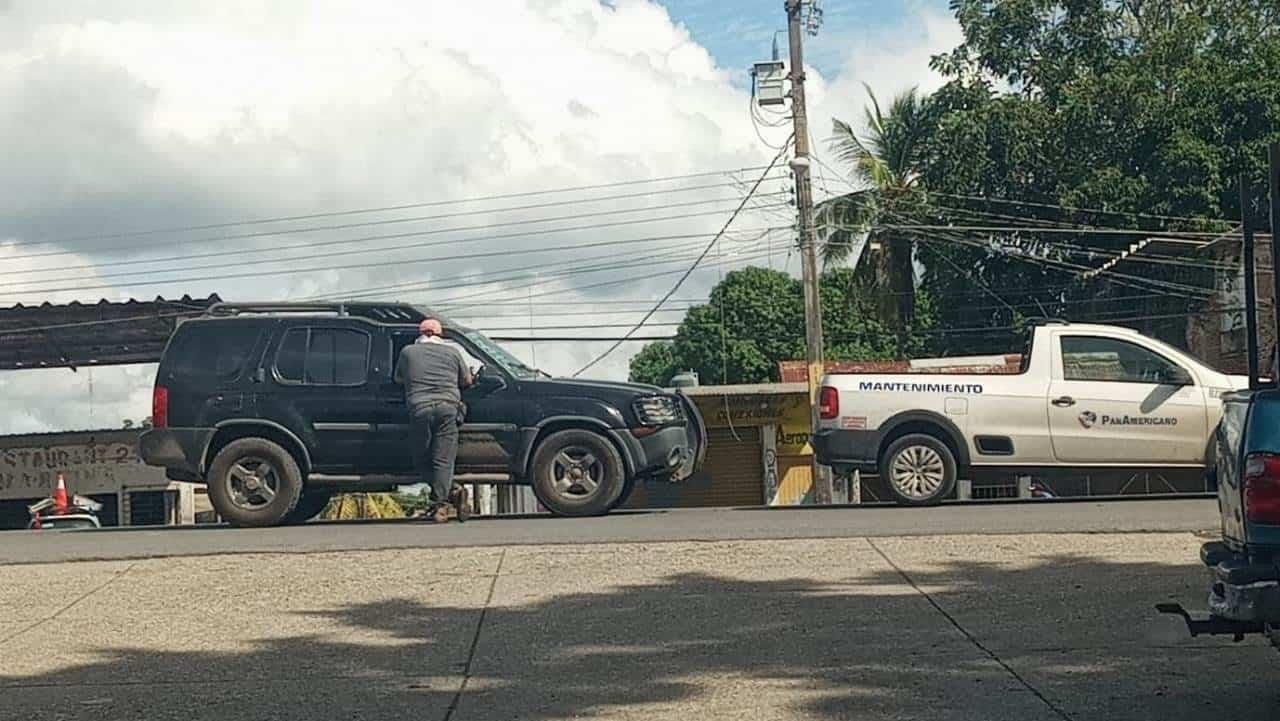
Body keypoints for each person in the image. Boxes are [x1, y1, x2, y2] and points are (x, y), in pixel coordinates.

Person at [395, 318, 474, 522]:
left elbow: (399, 379)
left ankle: (449, 494)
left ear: (420, 334)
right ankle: (445, 502)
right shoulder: (453, 352)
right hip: (448, 408)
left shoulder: (407, 352)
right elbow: (467, 380)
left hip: (419, 409)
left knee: (421, 460)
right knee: (443, 460)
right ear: (440, 335)